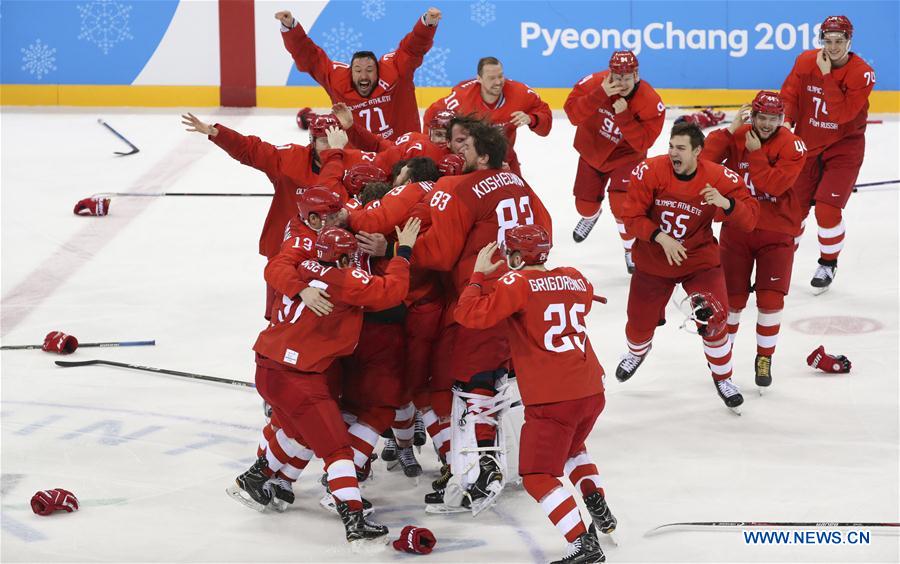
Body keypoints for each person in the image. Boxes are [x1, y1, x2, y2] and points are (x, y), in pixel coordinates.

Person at [230, 219, 421, 544]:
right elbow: (394, 290)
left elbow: (276, 265)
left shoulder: (301, 264)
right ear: (346, 259)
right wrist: (402, 252)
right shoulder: (347, 280)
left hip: (270, 363)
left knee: (296, 431)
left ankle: (256, 476)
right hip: (297, 374)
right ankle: (354, 519)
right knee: (336, 449)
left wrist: (300, 287)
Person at [455, 225, 616, 564]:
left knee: (538, 475)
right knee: (573, 447)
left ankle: (582, 543)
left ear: (515, 256)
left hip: (553, 397)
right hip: (591, 389)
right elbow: (584, 298)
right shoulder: (572, 275)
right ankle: (596, 502)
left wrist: (478, 278)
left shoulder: (517, 283)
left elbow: (468, 315)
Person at [412, 122, 552, 509]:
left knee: (473, 386)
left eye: (467, 147)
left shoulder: (457, 188)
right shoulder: (517, 182)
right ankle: (521, 461)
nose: (460, 154)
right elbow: (545, 231)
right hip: (522, 297)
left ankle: (482, 470)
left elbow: (438, 254)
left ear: (484, 156)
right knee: (506, 381)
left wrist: (403, 249)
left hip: (481, 300)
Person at [617, 122, 759, 411]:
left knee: (715, 317)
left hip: (698, 260)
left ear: (697, 151)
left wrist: (727, 203)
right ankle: (637, 352)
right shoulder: (650, 170)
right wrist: (660, 237)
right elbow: (630, 217)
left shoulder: (719, 177)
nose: (673, 153)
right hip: (654, 258)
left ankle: (724, 378)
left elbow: (751, 219)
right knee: (637, 325)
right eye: (671, 146)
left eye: (680, 148)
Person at [181, 112, 342, 318]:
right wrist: (217, 132)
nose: (329, 147)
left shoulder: (352, 164)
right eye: (323, 141)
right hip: (288, 253)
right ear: (311, 141)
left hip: (333, 254)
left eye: (333, 140)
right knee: (280, 315)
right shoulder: (290, 159)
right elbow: (252, 150)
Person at [701, 91, 807, 390]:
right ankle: (726, 356)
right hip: (738, 228)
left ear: (781, 119)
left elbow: (773, 183)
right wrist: (728, 131)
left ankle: (764, 357)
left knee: (771, 301)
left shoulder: (793, 145)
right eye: (762, 117)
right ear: (753, 115)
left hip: (777, 232)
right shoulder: (739, 136)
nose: (767, 124)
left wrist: (756, 153)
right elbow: (704, 162)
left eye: (773, 119)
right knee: (732, 301)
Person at [779, 15, 875, 292]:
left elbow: (843, 114)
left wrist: (825, 75)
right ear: (821, 40)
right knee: (791, 211)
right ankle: (780, 260)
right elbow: (790, 95)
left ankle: (828, 263)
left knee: (827, 209)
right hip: (807, 144)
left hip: (844, 146)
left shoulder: (862, 73)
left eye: (839, 41)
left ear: (849, 41)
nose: (833, 47)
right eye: (828, 40)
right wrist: (786, 123)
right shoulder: (805, 60)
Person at [564, 51, 666, 274]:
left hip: (627, 157)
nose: (621, 83)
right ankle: (592, 215)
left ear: (636, 75)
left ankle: (631, 249)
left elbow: (644, 143)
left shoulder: (650, 101)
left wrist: (624, 117)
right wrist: (599, 94)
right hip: (592, 150)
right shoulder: (594, 83)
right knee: (584, 206)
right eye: (617, 77)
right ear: (609, 73)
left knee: (623, 207)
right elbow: (572, 115)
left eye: (627, 78)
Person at [277, 7, 442, 140]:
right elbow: (310, 57)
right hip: (359, 160)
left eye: (370, 70)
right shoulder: (337, 79)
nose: (364, 76)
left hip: (403, 153)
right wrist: (291, 28)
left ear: (379, 71)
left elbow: (412, 49)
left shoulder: (396, 71)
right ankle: (312, 118)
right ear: (350, 72)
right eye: (358, 70)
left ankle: (311, 117)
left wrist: (427, 24)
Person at [423, 57, 552, 176]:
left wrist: (532, 119)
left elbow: (545, 118)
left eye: (500, 76)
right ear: (479, 79)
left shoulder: (521, 93)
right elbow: (431, 116)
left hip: (505, 158)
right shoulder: (460, 98)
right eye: (491, 78)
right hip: (469, 164)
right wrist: (439, 153)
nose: (498, 82)